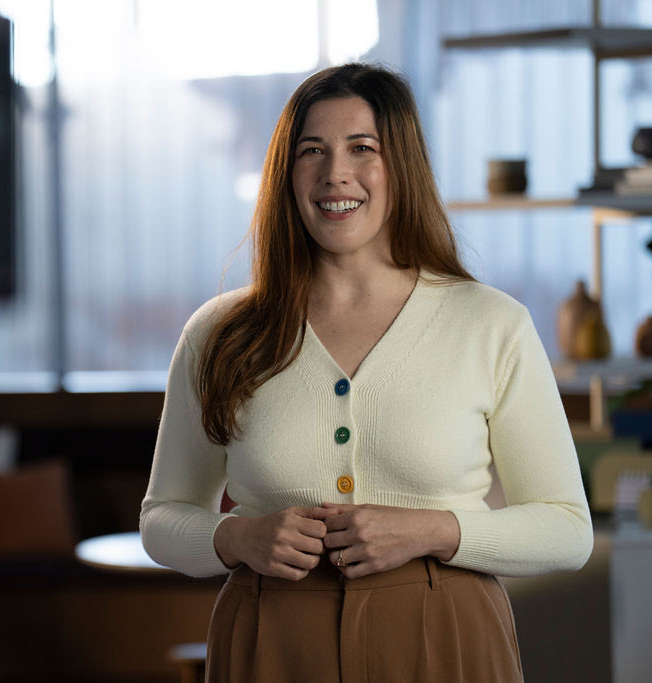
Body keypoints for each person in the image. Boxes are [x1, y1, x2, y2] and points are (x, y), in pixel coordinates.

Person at [139, 63, 593, 682]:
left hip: (448, 635)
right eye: (312, 152)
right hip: (272, 643)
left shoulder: (491, 324)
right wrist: (235, 538)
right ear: (286, 173)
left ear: (399, 165)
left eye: (362, 148)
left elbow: (567, 529)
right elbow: (162, 517)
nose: (335, 175)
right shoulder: (219, 333)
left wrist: (433, 531)